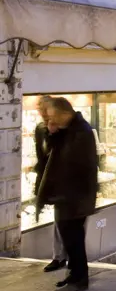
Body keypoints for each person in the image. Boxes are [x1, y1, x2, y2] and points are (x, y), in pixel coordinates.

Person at [38, 97, 98, 291]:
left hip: (74, 197)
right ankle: (74, 275)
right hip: (66, 196)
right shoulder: (69, 130)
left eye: (54, 116)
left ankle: (79, 279)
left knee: (73, 239)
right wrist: (52, 133)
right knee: (69, 238)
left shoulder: (82, 132)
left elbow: (76, 165)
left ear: (65, 113)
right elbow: (51, 153)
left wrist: (65, 191)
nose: (52, 120)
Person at [32, 96, 68, 273]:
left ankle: (66, 257)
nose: (40, 111)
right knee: (60, 220)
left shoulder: (65, 128)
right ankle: (59, 256)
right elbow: (42, 157)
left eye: (43, 108)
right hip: (52, 181)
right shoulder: (40, 129)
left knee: (68, 222)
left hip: (67, 182)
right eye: (39, 108)